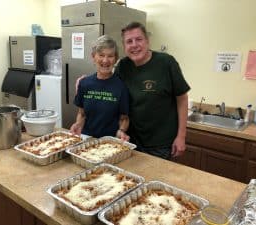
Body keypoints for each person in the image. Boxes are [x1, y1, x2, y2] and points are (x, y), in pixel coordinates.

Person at [115, 22, 190, 159]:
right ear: (124, 46)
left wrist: (181, 136)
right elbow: (110, 89)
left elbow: (182, 98)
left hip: (161, 145)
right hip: (131, 141)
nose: (134, 45)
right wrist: (85, 81)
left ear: (147, 41)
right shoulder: (123, 66)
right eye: (129, 41)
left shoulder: (166, 63)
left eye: (139, 39)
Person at [70, 35, 130, 141]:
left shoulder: (121, 87)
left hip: (109, 142)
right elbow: (82, 113)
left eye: (110, 56)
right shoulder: (84, 83)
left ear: (115, 59)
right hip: (86, 139)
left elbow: (124, 118)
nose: (105, 60)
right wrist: (78, 124)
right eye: (101, 55)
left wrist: (121, 131)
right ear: (93, 57)